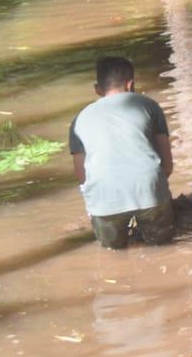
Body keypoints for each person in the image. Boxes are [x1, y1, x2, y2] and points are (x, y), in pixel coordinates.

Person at [68, 56, 176, 250]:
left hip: (104, 197)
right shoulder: (149, 105)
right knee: (162, 248)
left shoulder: (80, 119)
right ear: (131, 84)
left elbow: (82, 176)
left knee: (113, 253)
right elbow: (167, 165)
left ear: (97, 89)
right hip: (148, 189)